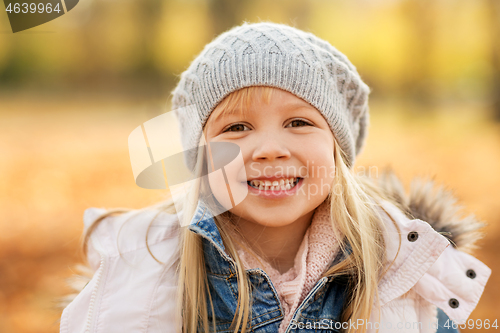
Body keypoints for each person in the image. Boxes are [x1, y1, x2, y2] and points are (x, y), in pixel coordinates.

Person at [60, 22, 491, 333]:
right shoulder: (140, 273)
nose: (269, 148)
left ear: (337, 149)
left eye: (299, 122)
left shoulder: (405, 273)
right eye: (236, 128)